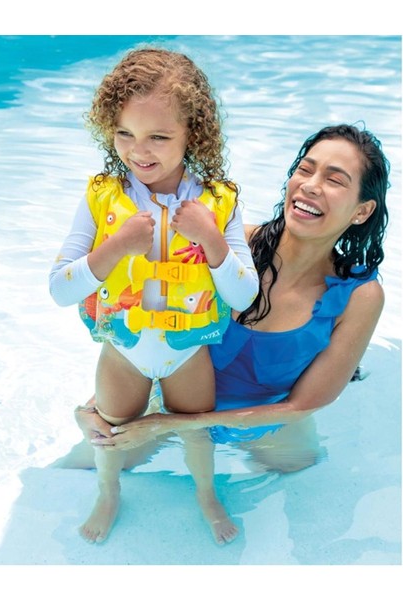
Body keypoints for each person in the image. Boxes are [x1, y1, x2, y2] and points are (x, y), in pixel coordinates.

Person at [69, 123, 390, 544]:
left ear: (362, 211)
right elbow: (146, 324)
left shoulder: (360, 296)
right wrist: (96, 406)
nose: (311, 185)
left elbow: (303, 405)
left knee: (301, 470)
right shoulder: (229, 247)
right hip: (175, 393)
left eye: (334, 180)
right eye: (305, 169)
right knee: (80, 465)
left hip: (260, 419)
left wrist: (168, 426)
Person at [49, 47, 259, 545]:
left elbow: (244, 295)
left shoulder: (218, 202)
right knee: (110, 431)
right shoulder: (102, 197)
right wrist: (116, 247)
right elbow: (59, 288)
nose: (138, 151)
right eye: (124, 133)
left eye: (159, 137)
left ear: (193, 133)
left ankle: (206, 492)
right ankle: (108, 491)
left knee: (194, 430)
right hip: (123, 350)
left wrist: (210, 238)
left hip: (188, 352)